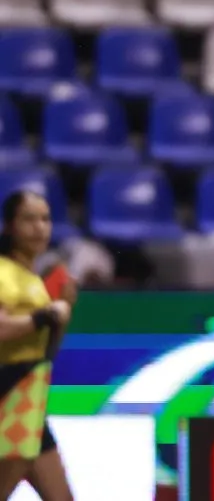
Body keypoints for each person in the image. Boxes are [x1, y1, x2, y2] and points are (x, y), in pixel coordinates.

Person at [0, 191, 74, 500]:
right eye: (29, 219)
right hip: (7, 396)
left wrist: (64, 307)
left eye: (45, 219)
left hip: (30, 398)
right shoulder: (3, 272)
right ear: (9, 226)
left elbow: (46, 350)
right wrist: (45, 315)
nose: (39, 228)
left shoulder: (32, 280)